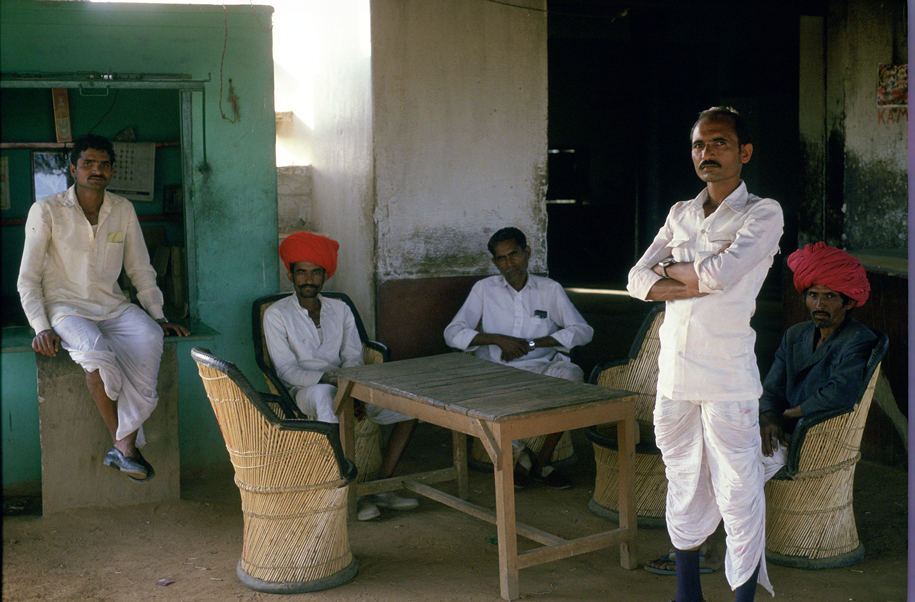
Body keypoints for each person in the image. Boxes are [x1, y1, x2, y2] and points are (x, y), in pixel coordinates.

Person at [644, 242, 877, 577]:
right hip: (775, 428)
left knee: (731, 471)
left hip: (813, 438)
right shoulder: (796, 335)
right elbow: (771, 388)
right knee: (701, 457)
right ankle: (699, 545)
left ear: (849, 301)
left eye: (830, 297)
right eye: (813, 295)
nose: (820, 304)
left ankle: (705, 550)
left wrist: (781, 418)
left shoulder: (858, 340)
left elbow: (838, 395)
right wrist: (767, 415)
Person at [627, 107, 783, 602]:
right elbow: (636, 280)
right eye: (699, 144)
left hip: (727, 376)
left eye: (719, 143)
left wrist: (672, 270)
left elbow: (722, 273)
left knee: (739, 490)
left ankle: (742, 598)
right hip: (674, 376)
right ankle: (687, 593)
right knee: (682, 479)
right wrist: (697, 276)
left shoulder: (762, 212)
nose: (706, 152)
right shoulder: (681, 213)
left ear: (744, 152)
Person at [17, 133, 189, 483]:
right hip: (65, 308)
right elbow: (28, 278)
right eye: (88, 164)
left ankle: (121, 448)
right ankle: (124, 446)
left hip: (112, 305)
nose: (97, 170)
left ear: (112, 171)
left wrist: (158, 315)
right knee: (95, 353)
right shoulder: (46, 210)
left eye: (104, 165)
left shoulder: (122, 209)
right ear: (73, 169)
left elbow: (140, 269)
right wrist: (41, 326)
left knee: (150, 337)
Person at [263, 231, 419, 521]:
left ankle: (379, 487)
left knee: (408, 407)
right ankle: (345, 496)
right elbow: (286, 370)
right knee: (326, 395)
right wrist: (334, 383)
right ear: (290, 276)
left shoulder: (341, 309)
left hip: (348, 381)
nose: (308, 280)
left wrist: (351, 387)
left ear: (325, 276)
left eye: (315, 272)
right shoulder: (276, 314)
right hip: (304, 389)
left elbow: (353, 357)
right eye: (301, 272)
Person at [443, 226, 594, 490]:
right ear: (495, 262)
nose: (509, 264)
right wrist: (498, 339)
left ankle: (541, 460)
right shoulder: (484, 289)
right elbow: (452, 333)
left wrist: (532, 344)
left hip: (542, 367)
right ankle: (523, 456)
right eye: (501, 258)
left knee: (573, 378)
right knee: (481, 393)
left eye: (513, 254)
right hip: (497, 370)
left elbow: (583, 331)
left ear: (527, 253)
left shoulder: (549, 289)